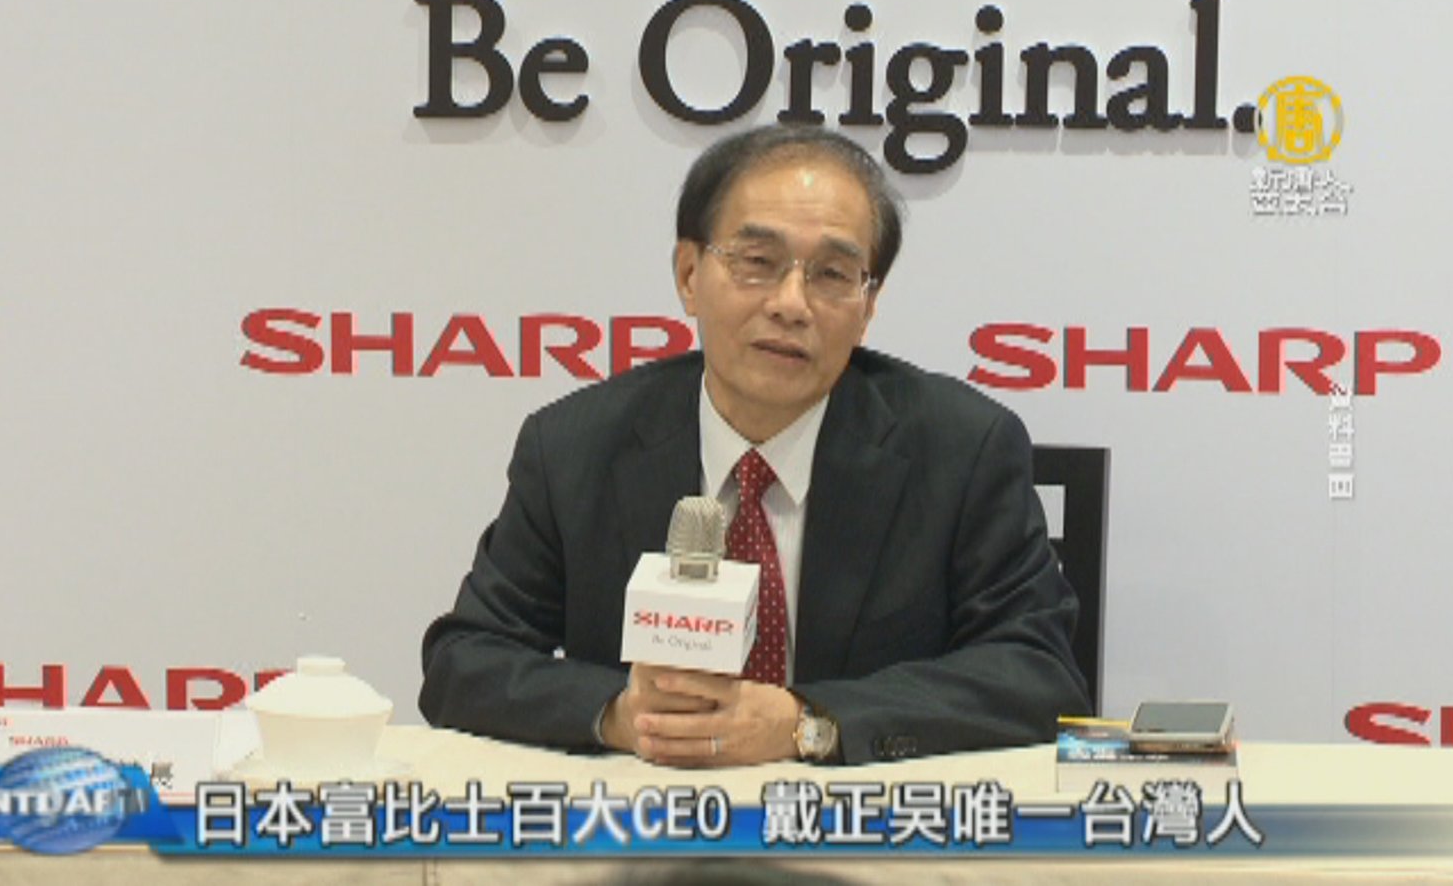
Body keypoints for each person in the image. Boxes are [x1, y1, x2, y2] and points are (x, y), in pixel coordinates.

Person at [420, 123, 1089, 765]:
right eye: (758, 263)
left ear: (868, 305)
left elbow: (1038, 676)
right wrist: (620, 714)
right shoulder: (574, 448)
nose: (791, 304)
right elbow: (464, 661)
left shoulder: (962, 449)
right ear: (689, 275)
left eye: (832, 274)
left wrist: (808, 722)